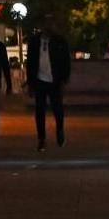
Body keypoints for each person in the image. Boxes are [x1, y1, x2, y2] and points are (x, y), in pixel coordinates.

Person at [26, 16, 72, 151]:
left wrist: (64, 78)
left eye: (51, 24)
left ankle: (60, 130)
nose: (48, 27)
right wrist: (30, 82)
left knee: (57, 109)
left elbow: (65, 61)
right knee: (40, 111)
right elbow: (30, 63)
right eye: (46, 24)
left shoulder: (59, 41)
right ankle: (41, 138)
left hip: (55, 80)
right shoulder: (35, 41)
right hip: (39, 80)